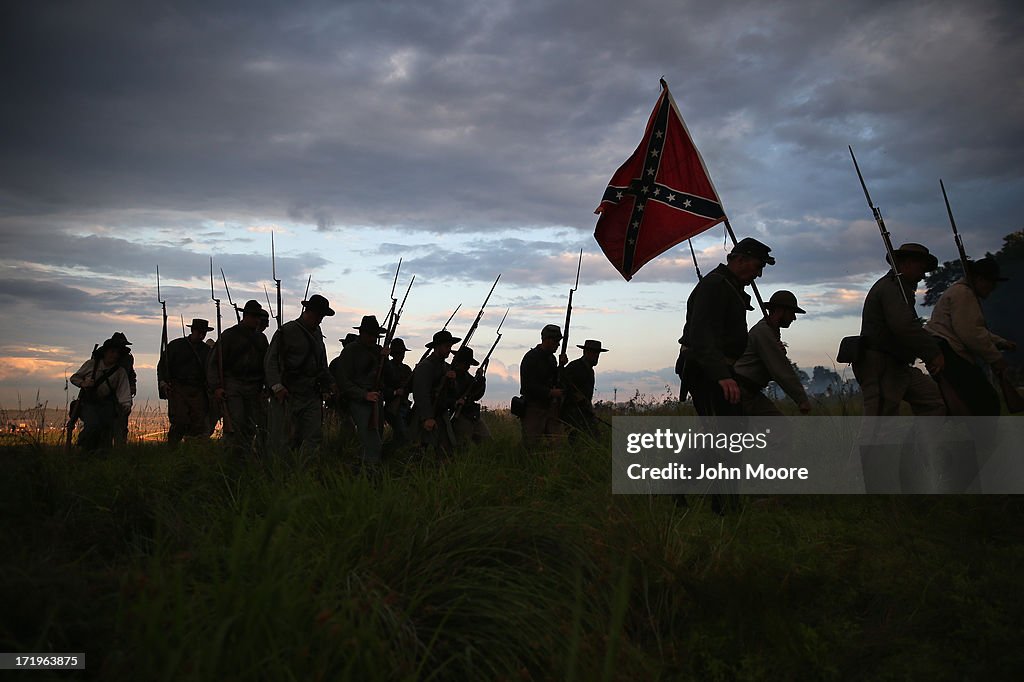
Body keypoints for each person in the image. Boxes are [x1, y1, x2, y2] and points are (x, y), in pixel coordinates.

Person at [677, 237, 774, 417]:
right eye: (758, 266)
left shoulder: (730, 286)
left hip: (714, 368)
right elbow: (702, 335)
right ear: (740, 260)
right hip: (705, 369)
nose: (759, 274)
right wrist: (721, 375)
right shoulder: (715, 285)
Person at [853, 243, 946, 416]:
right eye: (920, 268)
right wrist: (932, 353)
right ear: (907, 263)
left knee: (934, 402)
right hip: (881, 364)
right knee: (881, 422)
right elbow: (904, 326)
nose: (922, 275)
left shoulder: (899, 289)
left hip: (897, 363)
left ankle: (921, 443)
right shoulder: (891, 288)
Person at [926, 257, 1017, 415]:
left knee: (965, 405)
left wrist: (1000, 342)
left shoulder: (960, 292)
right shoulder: (963, 293)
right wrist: (995, 358)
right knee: (986, 403)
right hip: (950, 353)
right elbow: (971, 334)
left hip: (947, 350)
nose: (993, 287)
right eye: (991, 282)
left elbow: (973, 328)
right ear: (980, 279)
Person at [265, 294, 337, 457]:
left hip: (311, 393)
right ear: (308, 311)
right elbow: (271, 362)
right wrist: (277, 387)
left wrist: (330, 383)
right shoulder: (287, 331)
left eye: (322, 316)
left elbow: (322, 363)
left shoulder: (317, 333)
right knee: (282, 440)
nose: (320, 319)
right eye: (318, 315)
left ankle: (305, 473)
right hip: (288, 394)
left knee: (313, 437)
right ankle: (279, 474)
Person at [208, 300, 270, 459]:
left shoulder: (261, 339)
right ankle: (230, 459)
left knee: (250, 426)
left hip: (254, 388)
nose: (257, 320)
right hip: (233, 386)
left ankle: (245, 457)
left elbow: (267, 364)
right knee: (235, 425)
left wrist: (266, 387)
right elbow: (214, 363)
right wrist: (217, 387)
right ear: (246, 316)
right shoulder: (229, 335)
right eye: (255, 317)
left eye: (259, 317)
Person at [732, 291, 811, 416]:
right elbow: (780, 369)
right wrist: (801, 399)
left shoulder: (771, 332)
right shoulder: (764, 331)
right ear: (780, 311)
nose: (794, 318)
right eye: (791, 313)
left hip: (749, 392)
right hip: (741, 391)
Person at [334, 315, 388, 468]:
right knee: (371, 440)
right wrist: (364, 395)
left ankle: (366, 469)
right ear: (362, 333)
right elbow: (343, 381)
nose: (373, 339)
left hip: (375, 399)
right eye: (370, 335)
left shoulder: (378, 351)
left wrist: (385, 358)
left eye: (375, 336)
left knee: (376, 437)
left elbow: (387, 375)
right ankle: (368, 471)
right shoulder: (350, 351)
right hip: (359, 400)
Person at [158, 318, 214, 446]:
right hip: (178, 389)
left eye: (204, 333)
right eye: (199, 332)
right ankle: (172, 449)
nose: (201, 335)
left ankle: (192, 451)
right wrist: (163, 383)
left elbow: (211, 370)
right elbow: (162, 366)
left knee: (198, 423)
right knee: (179, 421)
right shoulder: (176, 346)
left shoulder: (207, 351)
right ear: (193, 330)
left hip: (198, 390)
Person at [70, 338, 133, 451]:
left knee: (106, 430)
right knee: (92, 426)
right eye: (112, 352)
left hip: (107, 405)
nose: (114, 355)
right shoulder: (91, 364)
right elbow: (74, 378)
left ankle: (102, 456)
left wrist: (126, 405)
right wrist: (84, 383)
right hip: (89, 403)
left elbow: (123, 390)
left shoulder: (120, 372)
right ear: (105, 352)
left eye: (117, 353)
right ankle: (84, 451)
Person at [413, 330, 460, 458]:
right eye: (446, 347)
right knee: (419, 451)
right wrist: (427, 417)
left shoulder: (446, 366)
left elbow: (453, 392)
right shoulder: (426, 366)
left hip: (440, 413)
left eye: (450, 347)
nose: (449, 350)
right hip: (426, 414)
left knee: (446, 450)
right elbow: (421, 393)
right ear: (437, 347)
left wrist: (452, 381)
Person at [518, 324, 566, 448]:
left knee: (558, 445)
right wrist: (550, 392)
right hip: (533, 409)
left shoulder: (552, 359)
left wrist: (561, 367)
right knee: (531, 446)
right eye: (556, 341)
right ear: (547, 340)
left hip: (551, 408)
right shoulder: (531, 358)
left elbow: (556, 380)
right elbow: (528, 386)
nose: (558, 345)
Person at [560, 339, 608, 441]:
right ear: (586, 352)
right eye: (594, 353)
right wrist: (576, 397)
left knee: (594, 440)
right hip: (572, 416)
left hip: (584, 414)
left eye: (598, 353)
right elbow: (562, 386)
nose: (597, 356)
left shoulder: (590, 371)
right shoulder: (574, 367)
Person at [450, 347, 491, 448]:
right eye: (465, 363)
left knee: (488, 443)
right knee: (462, 446)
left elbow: (476, 395)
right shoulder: (450, 376)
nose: (467, 366)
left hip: (471, 414)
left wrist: (481, 379)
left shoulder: (467, 377)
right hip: (459, 415)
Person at [382, 337, 413, 452]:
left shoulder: (406, 369)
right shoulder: (386, 367)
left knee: (405, 435)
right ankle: (386, 453)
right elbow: (382, 388)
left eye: (403, 353)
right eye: (399, 353)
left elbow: (411, 388)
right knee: (403, 435)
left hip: (404, 406)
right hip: (392, 408)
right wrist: (394, 392)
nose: (402, 355)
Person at [107, 331, 136, 444]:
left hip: (122, 394)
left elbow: (131, 374)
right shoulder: (105, 358)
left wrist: (132, 385)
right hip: (106, 395)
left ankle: (120, 447)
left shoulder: (128, 359)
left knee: (122, 423)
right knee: (107, 425)